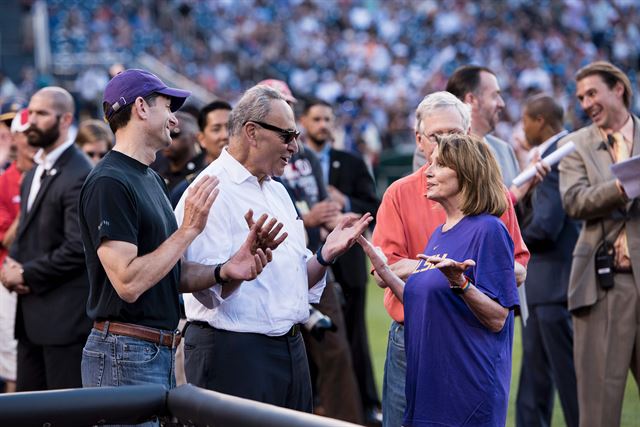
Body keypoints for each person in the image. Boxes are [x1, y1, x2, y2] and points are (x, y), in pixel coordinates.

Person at [78, 69, 274, 414]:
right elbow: (128, 282)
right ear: (141, 107)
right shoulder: (109, 181)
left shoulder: (150, 178)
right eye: (168, 107)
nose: (174, 119)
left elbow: (168, 273)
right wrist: (188, 230)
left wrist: (225, 271)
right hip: (125, 350)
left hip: (152, 350)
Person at [175, 84, 373, 412]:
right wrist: (231, 271)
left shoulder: (277, 191)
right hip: (234, 354)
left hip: (290, 349)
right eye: (287, 135)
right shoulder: (208, 190)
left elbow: (295, 280)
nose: (296, 146)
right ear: (252, 132)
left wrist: (325, 255)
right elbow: (201, 291)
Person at [372, 91, 530, 427]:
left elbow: (515, 268)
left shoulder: (491, 209)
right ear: (419, 140)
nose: (445, 145)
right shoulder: (406, 197)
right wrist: (431, 269)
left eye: (455, 136)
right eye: (437, 137)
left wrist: (458, 275)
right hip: (413, 329)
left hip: (467, 338)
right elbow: (388, 268)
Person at [263, 78, 364, 424]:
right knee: (287, 353)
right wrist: (305, 218)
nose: (285, 108)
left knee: (335, 352)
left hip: (312, 261)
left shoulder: (304, 156)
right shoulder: (257, 158)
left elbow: (324, 205)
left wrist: (325, 225)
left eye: (289, 102)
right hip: (270, 266)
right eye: (278, 102)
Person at [558, 61, 640, 427]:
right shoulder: (573, 145)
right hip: (604, 284)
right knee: (598, 410)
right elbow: (574, 201)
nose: (586, 103)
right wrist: (623, 187)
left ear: (618, 88)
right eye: (581, 98)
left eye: (592, 93)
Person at [0, 87, 93, 391]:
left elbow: (78, 247)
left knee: (63, 414)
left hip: (63, 323)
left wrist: (26, 273)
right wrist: (13, 265)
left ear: (65, 119)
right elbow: (28, 235)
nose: (30, 121)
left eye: (41, 114)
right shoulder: (35, 171)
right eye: (31, 112)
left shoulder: (79, 173)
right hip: (31, 320)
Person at [301, 98, 382, 423]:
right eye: (317, 118)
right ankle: (317, 403)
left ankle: (366, 405)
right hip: (308, 260)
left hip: (347, 265)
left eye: (328, 119)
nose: (323, 124)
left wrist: (343, 200)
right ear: (304, 122)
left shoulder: (350, 161)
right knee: (313, 339)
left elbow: (372, 204)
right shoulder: (292, 160)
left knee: (355, 337)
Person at [515, 94, 579, 427]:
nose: (521, 126)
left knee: (567, 382)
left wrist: (508, 239)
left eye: (525, 118)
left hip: (555, 286)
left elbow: (546, 226)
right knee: (535, 381)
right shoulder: (550, 154)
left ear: (540, 121)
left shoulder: (558, 155)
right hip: (544, 287)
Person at [0, 108, 35, 393]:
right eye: (25, 135)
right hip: (10, 280)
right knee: (14, 362)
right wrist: (30, 199)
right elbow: (7, 241)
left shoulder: (56, 176)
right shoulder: (4, 182)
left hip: (47, 278)